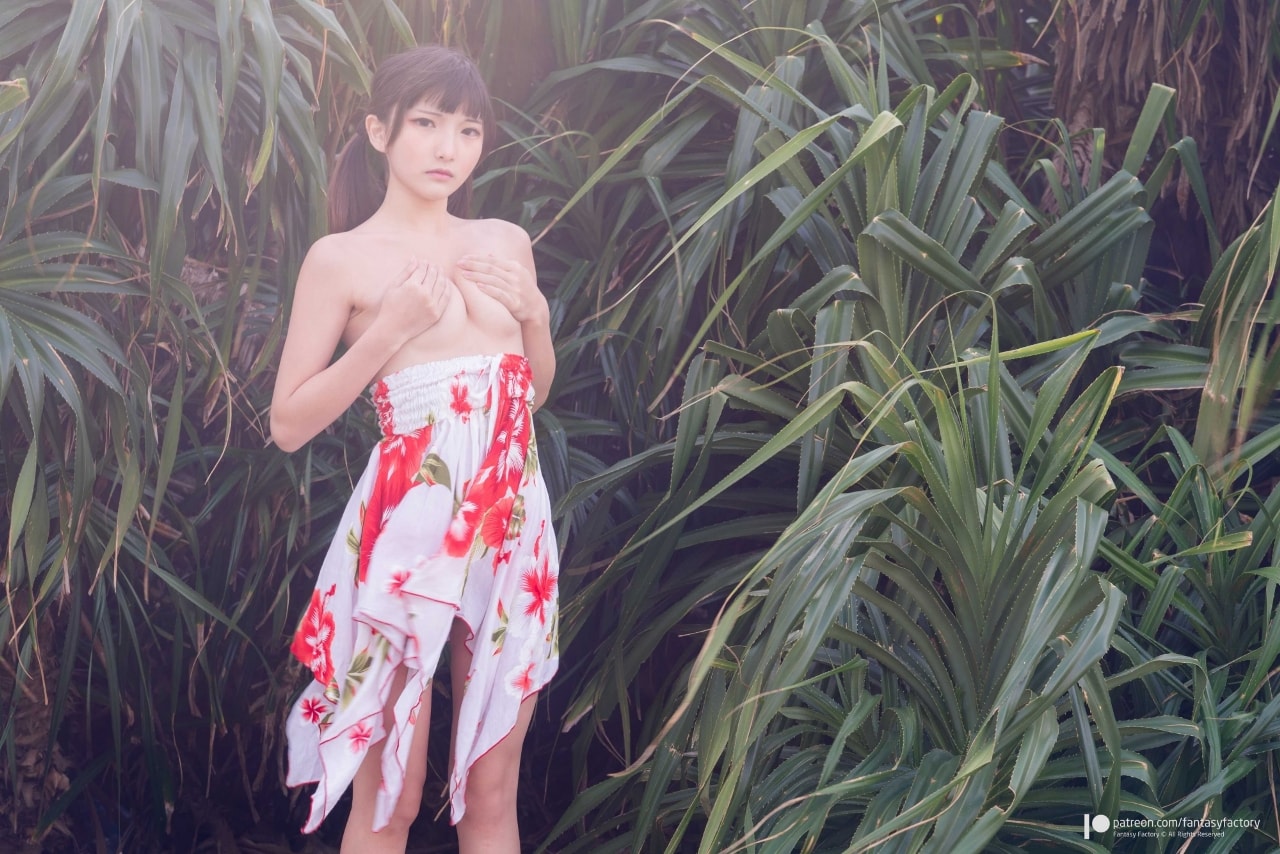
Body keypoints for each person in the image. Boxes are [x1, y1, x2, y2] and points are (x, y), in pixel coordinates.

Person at [270, 45, 559, 854]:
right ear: (379, 131)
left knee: (491, 795)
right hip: (409, 531)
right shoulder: (341, 259)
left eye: (467, 130)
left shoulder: (505, 241)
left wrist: (536, 317)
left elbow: (530, 394)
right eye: (427, 124)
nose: (447, 149)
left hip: (512, 526)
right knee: (389, 797)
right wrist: (386, 332)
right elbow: (288, 422)